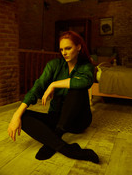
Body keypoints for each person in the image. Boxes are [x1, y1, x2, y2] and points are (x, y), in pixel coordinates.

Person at [8, 31, 99, 164]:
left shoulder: (86, 66)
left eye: (68, 48)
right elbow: (37, 87)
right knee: (23, 117)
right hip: (56, 117)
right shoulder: (54, 65)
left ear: (78, 47)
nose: (64, 52)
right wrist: (16, 114)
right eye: (62, 49)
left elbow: (86, 81)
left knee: (76, 88)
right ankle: (66, 148)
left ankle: (55, 137)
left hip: (78, 120)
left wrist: (54, 84)